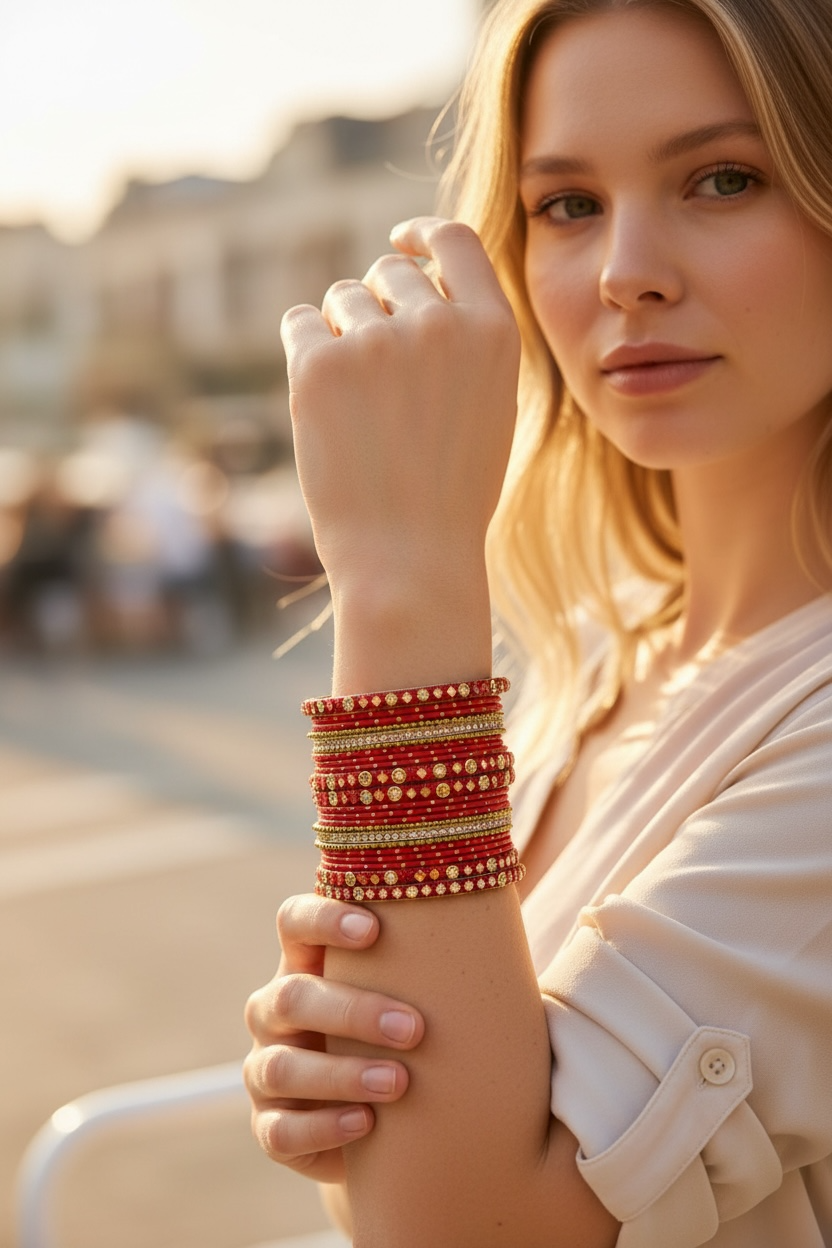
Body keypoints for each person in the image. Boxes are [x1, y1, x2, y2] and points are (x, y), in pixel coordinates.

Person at [243, 0, 832, 1243]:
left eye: (722, 178)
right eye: (565, 204)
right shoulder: (612, 647)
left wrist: (401, 576)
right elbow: (431, 1166)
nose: (626, 271)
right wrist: (363, 1078)